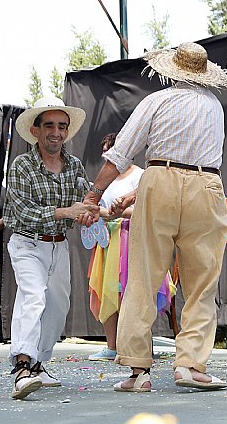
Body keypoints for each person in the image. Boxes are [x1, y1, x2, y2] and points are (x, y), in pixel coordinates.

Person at [80, 42, 227, 391]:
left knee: (143, 277)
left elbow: (121, 155)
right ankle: (190, 366)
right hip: (206, 185)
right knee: (201, 283)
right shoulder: (214, 106)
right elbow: (193, 163)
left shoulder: (156, 101)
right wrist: (138, 193)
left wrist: (94, 195)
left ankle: (138, 371)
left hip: (160, 182)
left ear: (171, 70)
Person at [3, 97, 97, 399]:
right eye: (49, 126)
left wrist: (107, 207)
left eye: (62, 126)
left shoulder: (74, 165)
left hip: (59, 247)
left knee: (58, 307)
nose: (56, 132)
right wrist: (69, 211)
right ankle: (21, 366)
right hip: (27, 243)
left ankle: (39, 363)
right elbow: (23, 212)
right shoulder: (21, 165)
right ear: (35, 130)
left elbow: (89, 199)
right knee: (33, 297)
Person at [87, 133, 144, 361]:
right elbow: (98, 206)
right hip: (108, 240)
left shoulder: (141, 176)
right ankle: (112, 346)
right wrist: (100, 213)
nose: (106, 157)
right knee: (107, 290)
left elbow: (145, 207)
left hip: (131, 238)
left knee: (132, 292)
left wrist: (115, 213)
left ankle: (137, 346)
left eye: (110, 152)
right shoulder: (104, 180)